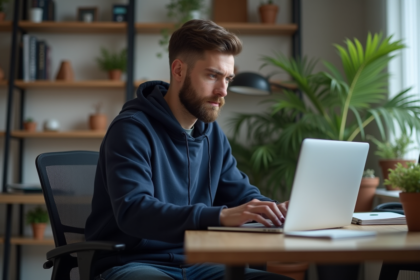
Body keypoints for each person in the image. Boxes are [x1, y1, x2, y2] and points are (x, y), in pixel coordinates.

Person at [86, 19, 290, 280]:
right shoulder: (131, 129)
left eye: (227, 78)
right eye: (212, 75)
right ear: (179, 70)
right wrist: (221, 216)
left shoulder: (211, 134)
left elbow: (241, 195)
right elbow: (134, 211)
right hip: (132, 263)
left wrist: (276, 212)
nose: (223, 91)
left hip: (196, 264)